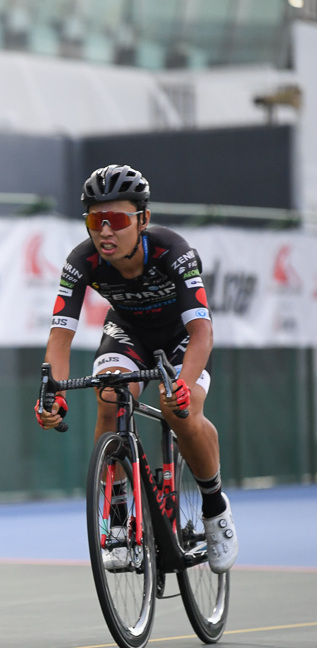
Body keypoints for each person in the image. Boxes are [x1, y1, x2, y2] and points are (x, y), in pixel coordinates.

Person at [36, 164, 238, 574]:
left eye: (116, 220)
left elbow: (201, 333)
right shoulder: (82, 261)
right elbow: (60, 338)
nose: (104, 232)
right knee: (109, 397)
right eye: (95, 220)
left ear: (143, 219)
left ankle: (215, 509)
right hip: (129, 332)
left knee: (181, 409)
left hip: (181, 337)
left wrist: (182, 385)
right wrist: (51, 392)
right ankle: (118, 517)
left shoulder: (174, 251)